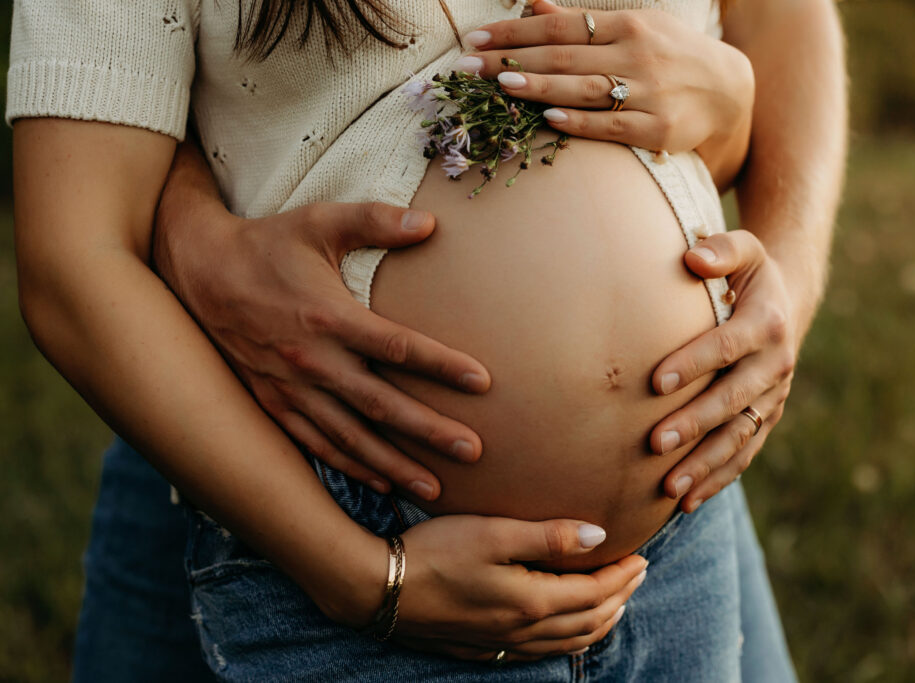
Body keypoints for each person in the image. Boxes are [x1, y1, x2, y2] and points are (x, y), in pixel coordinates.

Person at [8, 0, 845, 679]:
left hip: (684, 515)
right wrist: (362, 577)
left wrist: (788, 266)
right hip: (355, 522)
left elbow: (787, 21)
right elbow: (77, 254)